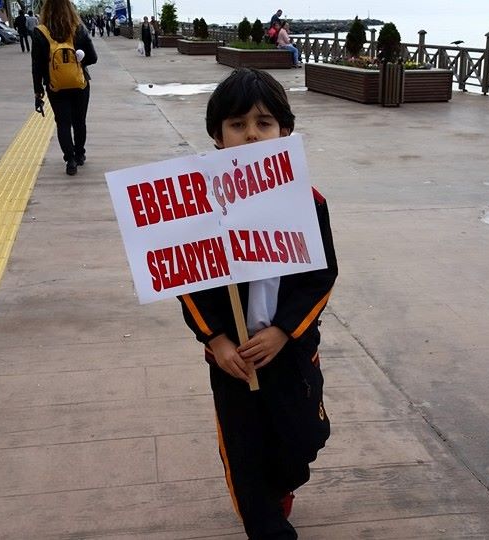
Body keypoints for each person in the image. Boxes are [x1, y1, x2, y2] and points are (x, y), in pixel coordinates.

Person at [178, 67, 337, 539]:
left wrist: (283, 331)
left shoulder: (309, 202)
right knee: (245, 460)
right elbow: (185, 280)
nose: (251, 135)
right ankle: (265, 518)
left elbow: (320, 278)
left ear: (285, 132)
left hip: (289, 352)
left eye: (264, 123)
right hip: (233, 361)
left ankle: (283, 482)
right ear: (217, 136)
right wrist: (217, 339)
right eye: (237, 124)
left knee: (303, 440)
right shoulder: (198, 205)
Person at [31, 0, 97, 176]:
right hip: (80, 83)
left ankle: (70, 160)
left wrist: (38, 91)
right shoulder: (78, 28)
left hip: (55, 86)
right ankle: (80, 153)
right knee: (79, 121)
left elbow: (36, 66)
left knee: (63, 123)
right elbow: (93, 57)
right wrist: (79, 59)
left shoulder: (40, 32)